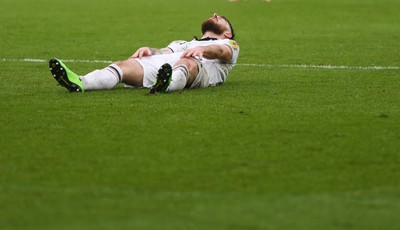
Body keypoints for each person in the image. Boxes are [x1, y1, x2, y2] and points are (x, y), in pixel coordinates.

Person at [49, 13, 240, 94]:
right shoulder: (184, 43)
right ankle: (81, 82)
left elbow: (222, 52)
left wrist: (203, 50)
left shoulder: (229, 43)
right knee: (124, 66)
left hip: (199, 73)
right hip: (165, 68)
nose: (215, 14)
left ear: (227, 32)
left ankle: (167, 84)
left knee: (188, 62)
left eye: (220, 18)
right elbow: (164, 51)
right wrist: (150, 50)